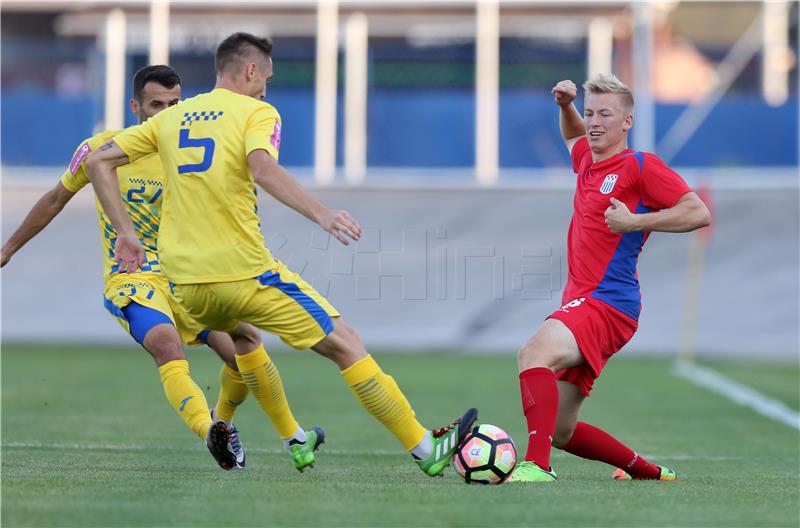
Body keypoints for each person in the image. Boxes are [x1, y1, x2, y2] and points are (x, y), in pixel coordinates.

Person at [86, 32, 477, 477]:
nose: (266, 88)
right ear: (251, 70)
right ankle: (427, 448)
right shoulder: (257, 112)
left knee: (246, 338)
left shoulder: (172, 118)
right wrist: (321, 213)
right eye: (265, 77)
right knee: (346, 342)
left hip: (187, 287)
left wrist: (125, 233)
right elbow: (263, 168)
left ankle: (281, 435)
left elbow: (99, 162)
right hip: (242, 272)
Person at [1, 65, 256, 471]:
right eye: (157, 105)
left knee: (246, 355)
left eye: (175, 104)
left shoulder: (193, 154)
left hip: (187, 275)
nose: (167, 112)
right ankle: (207, 428)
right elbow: (54, 200)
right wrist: (8, 249)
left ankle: (223, 426)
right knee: (167, 346)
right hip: (133, 277)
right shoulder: (101, 150)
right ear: (135, 106)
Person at [509, 74, 711, 482]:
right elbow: (572, 139)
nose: (595, 122)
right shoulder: (587, 158)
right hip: (583, 300)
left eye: (605, 114)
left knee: (533, 354)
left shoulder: (640, 166)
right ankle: (650, 473)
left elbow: (697, 212)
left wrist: (636, 221)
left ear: (627, 122)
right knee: (562, 430)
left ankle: (536, 467)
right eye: (589, 113)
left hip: (609, 302)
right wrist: (565, 107)